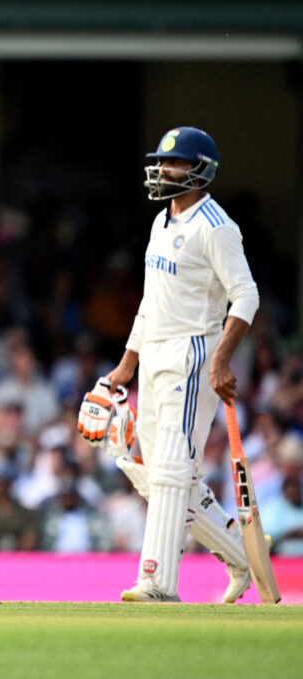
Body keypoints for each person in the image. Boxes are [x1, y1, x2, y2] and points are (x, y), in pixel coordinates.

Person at [79, 127, 259, 602]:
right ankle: (242, 558)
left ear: (198, 170)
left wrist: (222, 357)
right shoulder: (162, 221)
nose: (162, 170)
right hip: (155, 352)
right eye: (160, 162)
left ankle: (158, 583)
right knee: (151, 471)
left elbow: (246, 295)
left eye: (172, 163)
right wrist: (125, 366)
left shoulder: (216, 226)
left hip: (192, 353)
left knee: (172, 473)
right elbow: (149, 305)